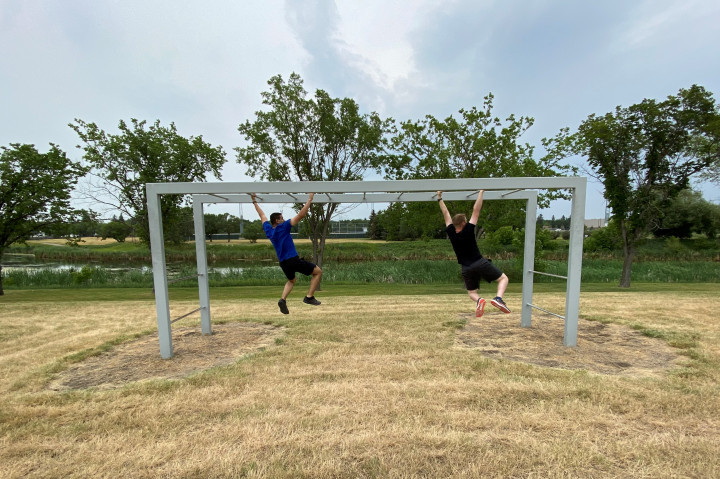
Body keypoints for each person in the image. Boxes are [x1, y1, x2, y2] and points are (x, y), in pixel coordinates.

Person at [437, 189, 511, 318]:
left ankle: (479, 301)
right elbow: (476, 210)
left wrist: (439, 198)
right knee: (503, 278)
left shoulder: (451, 233)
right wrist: (481, 192)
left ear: (455, 224)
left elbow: (445, 213)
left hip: (466, 267)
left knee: (472, 293)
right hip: (479, 262)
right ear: (464, 223)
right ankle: (498, 298)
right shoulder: (469, 230)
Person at [251, 193, 323, 314]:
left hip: (283, 263)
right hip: (293, 260)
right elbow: (301, 215)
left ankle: (283, 300)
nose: (284, 219)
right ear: (277, 221)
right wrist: (310, 199)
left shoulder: (269, 230)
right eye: (282, 218)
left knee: (292, 280)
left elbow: (262, 215)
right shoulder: (283, 226)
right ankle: (309, 297)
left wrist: (254, 201)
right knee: (318, 272)